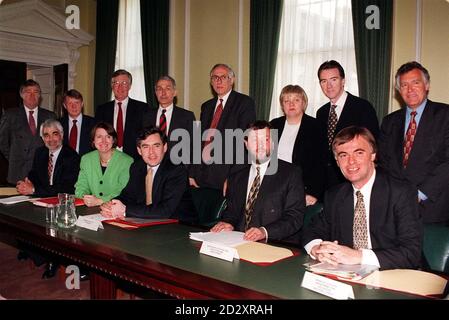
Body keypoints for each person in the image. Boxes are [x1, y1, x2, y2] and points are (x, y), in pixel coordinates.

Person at [303, 126, 422, 270]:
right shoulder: (335, 195)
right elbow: (312, 230)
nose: (351, 161)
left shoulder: (401, 192)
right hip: (348, 276)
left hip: (396, 275)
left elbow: (412, 253)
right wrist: (317, 249)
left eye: (358, 153)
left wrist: (359, 256)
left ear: (373, 155)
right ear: (337, 160)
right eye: (343, 155)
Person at [377, 61, 449, 225]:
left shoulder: (445, 115)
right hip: (395, 208)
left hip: (434, 207)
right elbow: (383, 163)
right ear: (398, 90)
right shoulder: (389, 121)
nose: (410, 90)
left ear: (427, 85)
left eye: (415, 83)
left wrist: (419, 194)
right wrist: (395, 196)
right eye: (404, 85)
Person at [211, 121, 305, 243]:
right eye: (254, 140)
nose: (260, 145)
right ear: (246, 144)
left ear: (272, 143)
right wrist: (228, 223)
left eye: (265, 140)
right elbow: (232, 213)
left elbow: (295, 217)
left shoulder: (291, 173)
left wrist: (264, 232)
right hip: (238, 241)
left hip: (275, 243)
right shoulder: (236, 177)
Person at [100, 127, 196, 222]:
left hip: (179, 227)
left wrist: (125, 210)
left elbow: (165, 210)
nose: (151, 152)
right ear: (139, 150)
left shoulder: (176, 170)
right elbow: (127, 196)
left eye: (156, 146)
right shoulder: (137, 167)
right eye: (146, 147)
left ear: (165, 147)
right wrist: (112, 205)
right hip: (146, 223)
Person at [189, 63, 256, 191]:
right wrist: (192, 173)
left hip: (227, 176)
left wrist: (233, 177)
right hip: (201, 175)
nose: (218, 81)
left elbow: (244, 144)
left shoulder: (244, 103)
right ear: (211, 82)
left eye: (223, 77)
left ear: (232, 80)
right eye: (215, 77)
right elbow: (199, 142)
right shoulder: (206, 106)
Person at [315, 60, 379, 189]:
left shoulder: (362, 107)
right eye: (324, 81)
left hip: (355, 180)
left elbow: (373, 146)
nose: (329, 86)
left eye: (333, 79)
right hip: (328, 185)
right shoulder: (321, 112)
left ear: (343, 81)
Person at [270, 85, 327, 205]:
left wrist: (313, 192)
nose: (291, 104)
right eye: (287, 101)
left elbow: (321, 164)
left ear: (304, 103)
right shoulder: (273, 125)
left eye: (296, 100)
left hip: (303, 190)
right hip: (274, 186)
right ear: (282, 105)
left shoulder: (316, 126)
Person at [0, 79, 55, 185]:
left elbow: (55, 142)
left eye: (36, 92)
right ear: (21, 95)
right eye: (28, 92)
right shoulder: (10, 115)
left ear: (40, 95)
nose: (32, 95)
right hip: (18, 171)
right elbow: (2, 142)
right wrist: (14, 157)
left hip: (42, 170)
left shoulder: (49, 116)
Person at [75, 122, 133, 207]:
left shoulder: (126, 161)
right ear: (93, 140)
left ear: (113, 140)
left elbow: (123, 191)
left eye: (108, 137)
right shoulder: (86, 159)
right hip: (91, 210)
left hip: (116, 209)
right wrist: (86, 197)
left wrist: (100, 201)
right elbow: (81, 186)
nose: (104, 141)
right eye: (99, 137)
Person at [16, 119, 80, 197]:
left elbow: (64, 188)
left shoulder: (72, 157)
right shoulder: (40, 153)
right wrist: (28, 183)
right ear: (42, 138)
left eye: (55, 134)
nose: (51, 139)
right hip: (40, 199)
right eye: (46, 135)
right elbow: (34, 175)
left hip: (61, 201)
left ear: (62, 135)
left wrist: (34, 190)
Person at [95, 69, 149, 160]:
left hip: (134, 158)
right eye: (116, 83)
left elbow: (145, 136)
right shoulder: (102, 109)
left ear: (130, 86)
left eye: (124, 83)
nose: (120, 87)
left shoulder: (142, 108)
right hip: (108, 158)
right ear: (112, 86)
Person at [143, 75, 196, 157]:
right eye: (159, 89)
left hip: (179, 166)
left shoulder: (187, 117)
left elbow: (193, 147)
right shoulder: (146, 116)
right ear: (155, 93)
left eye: (168, 88)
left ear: (174, 93)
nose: (163, 93)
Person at [59, 89, 96, 156]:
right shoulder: (58, 124)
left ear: (82, 104)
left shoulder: (93, 123)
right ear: (65, 106)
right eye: (70, 103)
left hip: (87, 163)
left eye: (77, 103)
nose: (74, 106)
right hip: (64, 164)